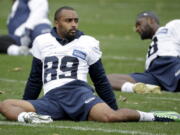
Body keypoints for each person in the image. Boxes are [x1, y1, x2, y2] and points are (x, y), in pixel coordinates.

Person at [0, 7, 180, 124]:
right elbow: (34, 78)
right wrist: (26, 104)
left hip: (78, 93)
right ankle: (31, 118)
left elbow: (99, 79)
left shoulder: (88, 42)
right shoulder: (41, 41)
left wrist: (113, 108)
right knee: (5, 105)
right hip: (52, 98)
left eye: (76, 20)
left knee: (110, 117)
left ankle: (155, 116)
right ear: (56, 22)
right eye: (68, 20)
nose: (73, 24)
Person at [108, 11, 180, 93]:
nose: (136, 29)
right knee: (106, 79)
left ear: (151, 20)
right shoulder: (153, 45)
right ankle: (137, 88)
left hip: (170, 65)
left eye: (139, 24)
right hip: (153, 75)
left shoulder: (171, 27)